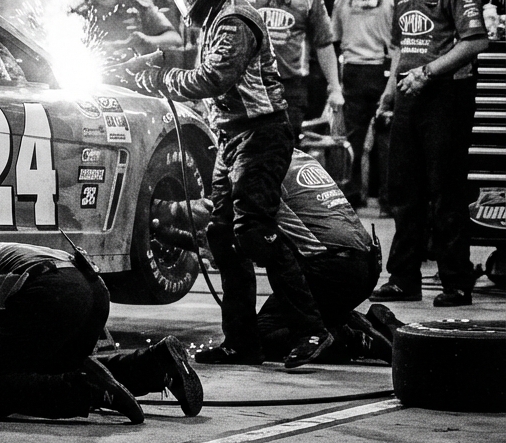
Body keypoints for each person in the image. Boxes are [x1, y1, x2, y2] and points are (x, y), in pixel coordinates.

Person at [118, 0, 331, 368]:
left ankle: (313, 329)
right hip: (234, 136)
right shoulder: (218, 17)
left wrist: (160, 77)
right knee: (222, 236)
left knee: (252, 230)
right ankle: (242, 342)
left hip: (261, 134)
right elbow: (204, 64)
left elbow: (215, 76)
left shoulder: (234, 20)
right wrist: (155, 60)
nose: (185, 4)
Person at [0, 236, 203, 423]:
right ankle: (156, 365)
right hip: (89, 288)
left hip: (49, 294)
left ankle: (87, 392)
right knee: (50, 368)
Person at [152, 149, 390, 364]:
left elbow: (214, 222)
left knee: (262, 338)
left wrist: (157, 211)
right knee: (290, 315)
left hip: (333, 269)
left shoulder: (253, 167)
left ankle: (354, 339)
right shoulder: (294, 155)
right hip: (365, 262)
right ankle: (370, 322)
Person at [370, 0, 488, 307]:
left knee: (445, 191)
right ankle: (404, 278)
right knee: (404, 191)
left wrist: (429, 72)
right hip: (409, 94)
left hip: (446, 96)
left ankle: (456, 282)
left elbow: (476, 41)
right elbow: (401, 48)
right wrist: (389, 93)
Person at [237, 0, 344, 133]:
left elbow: (323, 43)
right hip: (251, 85)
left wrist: (335, 88)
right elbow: (228, 40)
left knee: (286, 144)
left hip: (291, 87)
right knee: (251, 146)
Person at [331, 0, 395, 209]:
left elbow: (334, 36)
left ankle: (353, 193)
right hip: (382, 69)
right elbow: (398, 39)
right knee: (385, 136)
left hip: (352, 71)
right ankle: (387, 198)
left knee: (353, 136)